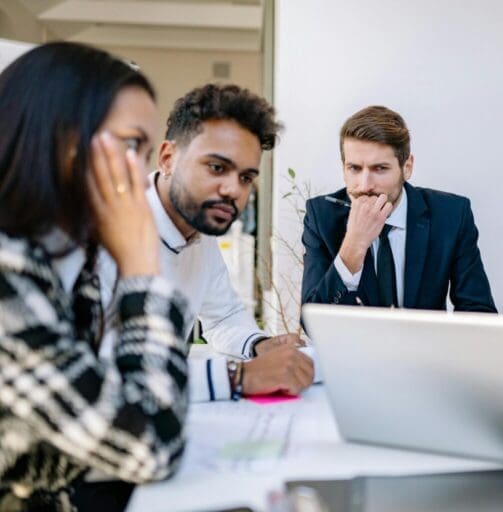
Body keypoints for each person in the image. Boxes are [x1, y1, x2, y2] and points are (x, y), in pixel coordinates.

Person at [0, 42, 189, 510]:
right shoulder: (8, 272)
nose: (143, 179)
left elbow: (74, 437)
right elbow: (149, 444)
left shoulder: (62, 261)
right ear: (56, 138)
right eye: (129, 145)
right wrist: (142, 268)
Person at [99, 84, 314, 402]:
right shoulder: (99, 233)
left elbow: (223, 316)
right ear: (168, 158)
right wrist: (239, 377)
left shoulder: (200, 231)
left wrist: (259, 345)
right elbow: (98, 374)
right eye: (217, 167)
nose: (233, 190)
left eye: (246, 177)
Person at [302, 106, 496, 313]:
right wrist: (353, 245)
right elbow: (312, 321)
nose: (365, 184)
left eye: (380, 168)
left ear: (407, 167)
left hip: (425, 343)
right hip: (355, 345)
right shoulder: (321, 216)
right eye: (355, 168)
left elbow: (478, 312)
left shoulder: (451, 215)